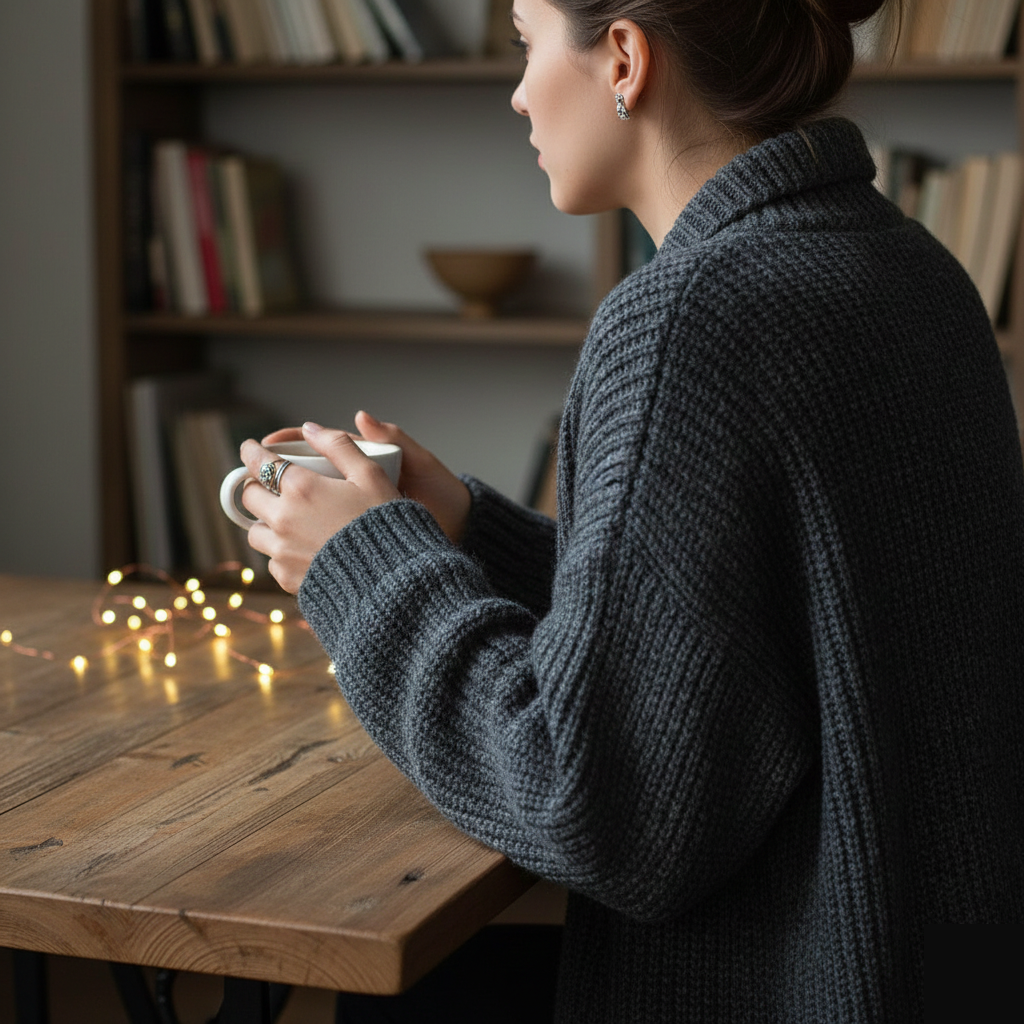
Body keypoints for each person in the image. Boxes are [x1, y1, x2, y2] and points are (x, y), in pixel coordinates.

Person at [238, 0, 1024, 1019]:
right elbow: (754, 630)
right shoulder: (910, 269)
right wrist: (474, 536)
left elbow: (598, 809)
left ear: (623, 58)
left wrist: (367, 568)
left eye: (525, 43)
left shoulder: (688, 315)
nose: (518, 93)